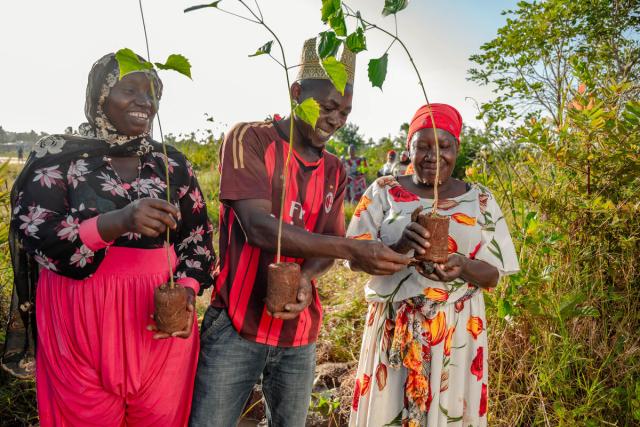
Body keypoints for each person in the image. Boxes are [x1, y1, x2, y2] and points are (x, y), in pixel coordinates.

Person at [189, 38, 409, 427]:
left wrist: (307, 276)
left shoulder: (336, 170)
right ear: (296, 94)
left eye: (345, 111)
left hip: (299, 333)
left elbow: (326, 240)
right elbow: (258, 228)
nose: (337, 120)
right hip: (236, 325)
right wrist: (351, 250)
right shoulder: (250, 139)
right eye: (327, 107)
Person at [2, 53, 215, 426]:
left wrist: (184, 291)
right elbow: (35, 232)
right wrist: (116, 221)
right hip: (78, 323)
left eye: (152, 93)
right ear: (99, 95)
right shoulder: (57, 157)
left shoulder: (172, 163)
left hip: (160, 327)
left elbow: (197, 239)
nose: (144, 101)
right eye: (129, 89)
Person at [347, 104, 519, 426]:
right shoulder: (384, 191)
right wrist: (397, 248)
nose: (433, 156)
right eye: (422, 146)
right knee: (390, 413)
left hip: (457, 330)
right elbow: (354, 259)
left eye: (444, 147)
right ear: (408, 147)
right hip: (394, 327)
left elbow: (494, 274)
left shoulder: (480, 200)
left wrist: (462, 265)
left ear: (457, 149)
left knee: (448, 413)